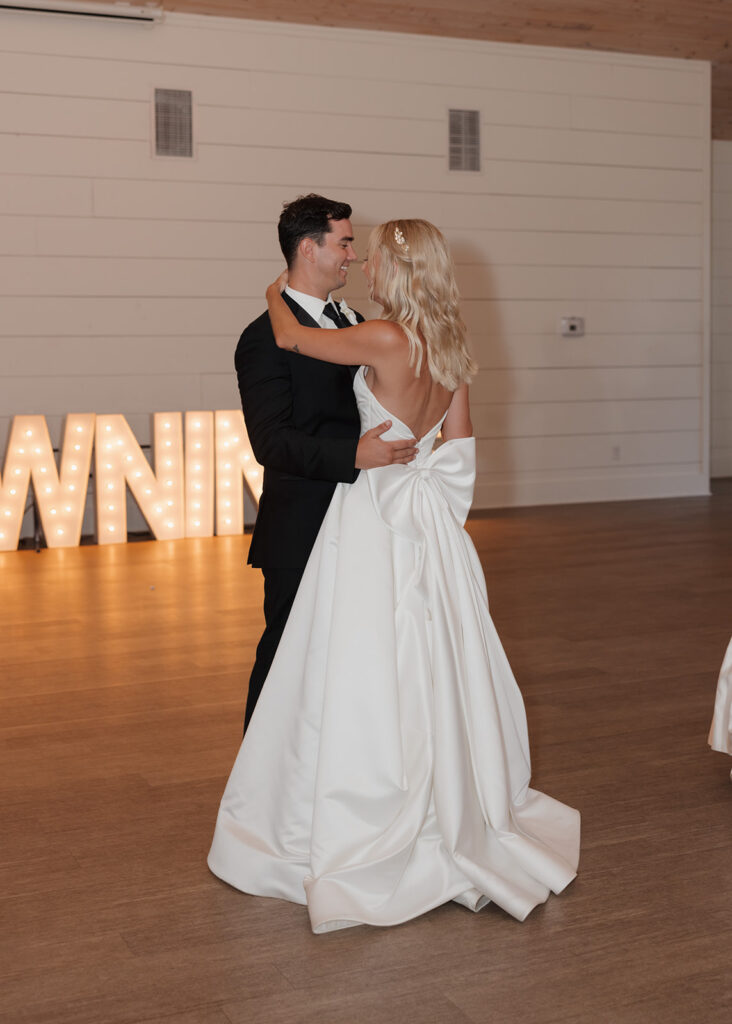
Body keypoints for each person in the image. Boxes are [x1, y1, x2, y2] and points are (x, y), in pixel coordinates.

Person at [209, 219, 581, 932]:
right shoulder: (449, 346)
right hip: (428, 521)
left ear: (401, 269)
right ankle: (443, 798)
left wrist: (273, 286)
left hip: (374, 514)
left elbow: (290, 339)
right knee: (422, 658)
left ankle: (353, 804)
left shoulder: (384, 337)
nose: (366, 265)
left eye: (374, 256)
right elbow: (460, 449)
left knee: (356, 657)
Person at [236, 194, 417, 731]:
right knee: (286, 658)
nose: (353, 256)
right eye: (344, 242)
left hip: (362, 519)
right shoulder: (262, 338)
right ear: (309, 248)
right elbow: (270, 442)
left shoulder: (354, 320)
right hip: (302, 525)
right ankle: (260, 779)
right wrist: (353, 454)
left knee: (350, 659)